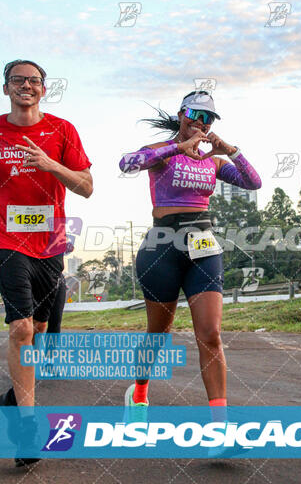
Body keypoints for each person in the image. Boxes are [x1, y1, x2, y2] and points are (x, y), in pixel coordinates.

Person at [119, 90, 261, 456]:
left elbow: (253, 182)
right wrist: (174, 150)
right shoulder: (160, 152)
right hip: (161, 248)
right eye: (196, 114)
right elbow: (126, 163)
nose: (202, 122)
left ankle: (219, 434)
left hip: (203, 248)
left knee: (210, 334)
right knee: (158, 334)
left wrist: (230, 149)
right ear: (182, 114)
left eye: (209, 118)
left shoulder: (212, 162)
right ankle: (137, 396)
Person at [0, 59, 93, 467]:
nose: (26, 85)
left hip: (50, 248)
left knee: (36, 333)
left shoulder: (62, 130)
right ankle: (27, 432)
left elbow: (87, 187)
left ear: (44, 89)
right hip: (7, 242)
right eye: (18, 80)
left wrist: (52, 164)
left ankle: (11, 401)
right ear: (6, 88)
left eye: (34, 81)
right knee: (20, 328)